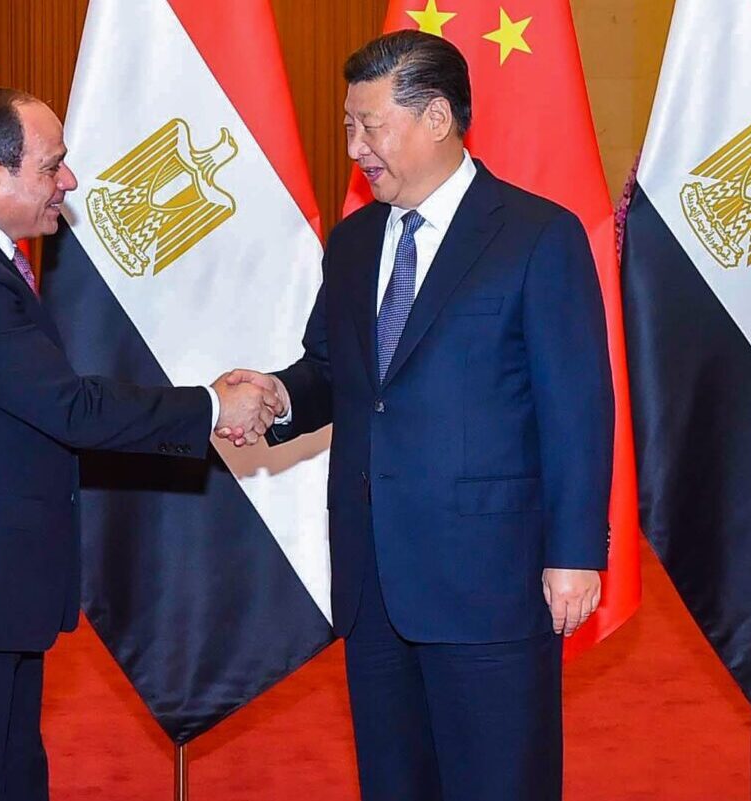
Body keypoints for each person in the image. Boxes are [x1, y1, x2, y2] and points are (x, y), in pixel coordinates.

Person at [0, 87, 277, 801]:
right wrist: (211, 404)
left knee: (13, 780)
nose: (70, 182)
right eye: (53, 167)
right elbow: (70, 407)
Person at [221, 31, 614, 801]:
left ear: (437, 118)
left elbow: (577, 405)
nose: (355, 146)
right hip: (373, 579)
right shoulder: (355, 239)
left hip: (490, 581)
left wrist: (574, 551)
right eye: (347, 125)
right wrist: (278, 395)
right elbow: (337, 373)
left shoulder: (538, 235)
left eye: (371, 124)